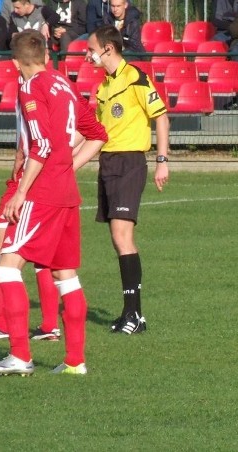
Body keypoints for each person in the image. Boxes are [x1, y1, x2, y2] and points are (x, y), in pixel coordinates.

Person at [0, 30, 90, 376]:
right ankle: (75, 362)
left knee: (6, 266)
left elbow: (40, 147)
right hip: (67, 193)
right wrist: (66, 167)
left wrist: (20, 191)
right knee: (65, 276)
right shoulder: (64, 83)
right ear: (45, 55)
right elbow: (97, 132)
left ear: (15, 63)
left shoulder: (31, 86)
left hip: (43, 193)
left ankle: (20, 356)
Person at [0, 66, 108, 342]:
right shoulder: (51, 83)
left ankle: (17, 346)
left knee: (8, 259)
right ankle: (71, 356)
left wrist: (29, 183)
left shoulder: (40, 85)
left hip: (40, 180)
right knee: (59, 267)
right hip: (50, 180)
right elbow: (94, 132)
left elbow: (44, 143)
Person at [87, 25, 170, 334]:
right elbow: (95, 134)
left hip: (130, 162)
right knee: (116, 238)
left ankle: (134, 314)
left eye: (90, 48)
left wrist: (162, 161)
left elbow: (160, 116)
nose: (86, 54)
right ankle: (131, 314)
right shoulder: (103, 87)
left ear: (108, 48)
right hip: (108, 163)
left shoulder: (135, 77)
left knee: (123, 237)